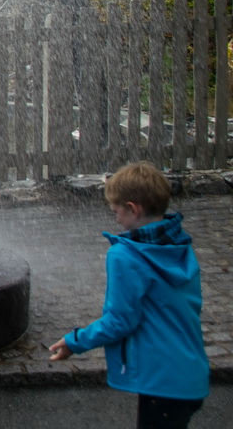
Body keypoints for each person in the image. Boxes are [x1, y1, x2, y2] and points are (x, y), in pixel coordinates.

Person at [49, 162, 209, 428]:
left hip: (161, 382)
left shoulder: (125, 256)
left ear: (133, 209)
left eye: (117, 211)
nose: (116, 220)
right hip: (190, 373)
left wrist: (74, 341)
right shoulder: (179, 245)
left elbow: (120, 321)